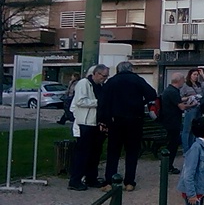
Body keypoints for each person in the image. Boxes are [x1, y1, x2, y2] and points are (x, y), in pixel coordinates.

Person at [99, 61, 158, 192]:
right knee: (132, 151)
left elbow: (103, 102)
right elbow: (152, 94)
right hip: (134, 120)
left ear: (118, 70)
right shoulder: (137, 80)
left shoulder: (112, 82)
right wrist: (139, 102)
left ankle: (109, 181)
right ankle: (129, 182)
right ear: (131, 69)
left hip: (116, 120)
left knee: (113, 151)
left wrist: (103, 120)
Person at [67, 65, 109, 191]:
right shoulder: (84, 83)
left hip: (95, 123)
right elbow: (80, 101)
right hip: (84, 123)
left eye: (106, 77)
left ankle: (91, 178)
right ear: (96, 73)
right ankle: (75, 180)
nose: (105, 79)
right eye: (103, 76)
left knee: (94, 153)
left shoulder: (99, 86)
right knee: (82, 153)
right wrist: (97, 102)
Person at [160, 72, 189, 174]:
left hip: (169, 121)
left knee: (172, 144)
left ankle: (168, 165)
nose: (184, 81)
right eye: (183, 80)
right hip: (172, 122)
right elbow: (181, 107)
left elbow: (176, 101)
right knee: (172, 145)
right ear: (179, 80)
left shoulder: (169, 90)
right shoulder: (173, 92)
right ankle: (168, 166)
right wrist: (192, 104)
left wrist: (184, 99)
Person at [180, 68, 204, 153]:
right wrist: (189, 98)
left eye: (197, 75)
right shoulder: (186, 86)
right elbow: (180, 98)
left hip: (199, 108)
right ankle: (186, 149)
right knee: (187, 129)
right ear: (190, 75)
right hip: (190, 108)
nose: (196, 76)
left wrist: (203, 75)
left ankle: (193, 148)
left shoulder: (199, 85)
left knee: (195, 129)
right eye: (194, 75)